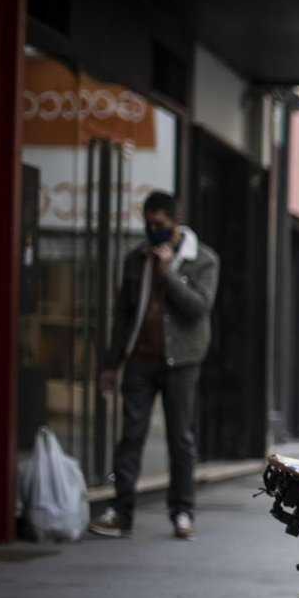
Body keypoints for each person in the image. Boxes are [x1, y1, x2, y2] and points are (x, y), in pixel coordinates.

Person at [89, 190, 220, 540]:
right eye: (148, 224)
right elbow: (123, 316)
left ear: (176, 223)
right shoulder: (136, 259)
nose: (152, 230)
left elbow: (198, 308)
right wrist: (110, 365)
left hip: (183, 364)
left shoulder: (203, 260)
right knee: (131, 436)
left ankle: (182, 512)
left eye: (159, 224)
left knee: (180, 439)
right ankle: (121, 511)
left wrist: (167, 274)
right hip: (140, 362)